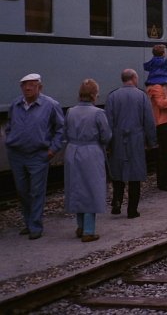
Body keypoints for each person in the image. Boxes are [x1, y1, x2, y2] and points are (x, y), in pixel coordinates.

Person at [6, 73, 65, 240]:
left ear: (40, 87)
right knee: (22, 190)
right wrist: (10, 142)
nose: (27, 88)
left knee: (36, 191)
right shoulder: (15, 105)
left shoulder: (51, 105)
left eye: (31, 85)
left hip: (38, 155)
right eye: (24, 85)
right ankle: (28, 222)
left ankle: (35, 226)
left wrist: (53, 149)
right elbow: (9, 125)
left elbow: (60, 129)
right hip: (17, 154)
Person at [63, 79, 112, 242]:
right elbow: (106, 135)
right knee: (92, 189)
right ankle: (89, 230)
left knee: (77, 188)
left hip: (72, 151)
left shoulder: (70, 111)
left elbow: (65, 132)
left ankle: (80, 226)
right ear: (93, 95)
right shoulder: (98, 113)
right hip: (91, 152)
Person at [105, 69, 157, 218]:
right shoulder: (141, 96)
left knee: (118, 173)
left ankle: (116, 203)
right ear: (134, 78)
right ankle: (132, 210)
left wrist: (108, 143)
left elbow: (108, 121)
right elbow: (148, 121)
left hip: (117, 139)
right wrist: (152, 141)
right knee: (135, 175)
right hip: (136, 139)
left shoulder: (112, 96)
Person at [145, 57, 167, 192]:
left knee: (165, 153)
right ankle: (163, 183)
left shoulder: (162, 86)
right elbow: (161, 103)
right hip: (161, 123)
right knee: (164, 154)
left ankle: (166, 180)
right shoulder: (157, 87)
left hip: (165, 122)